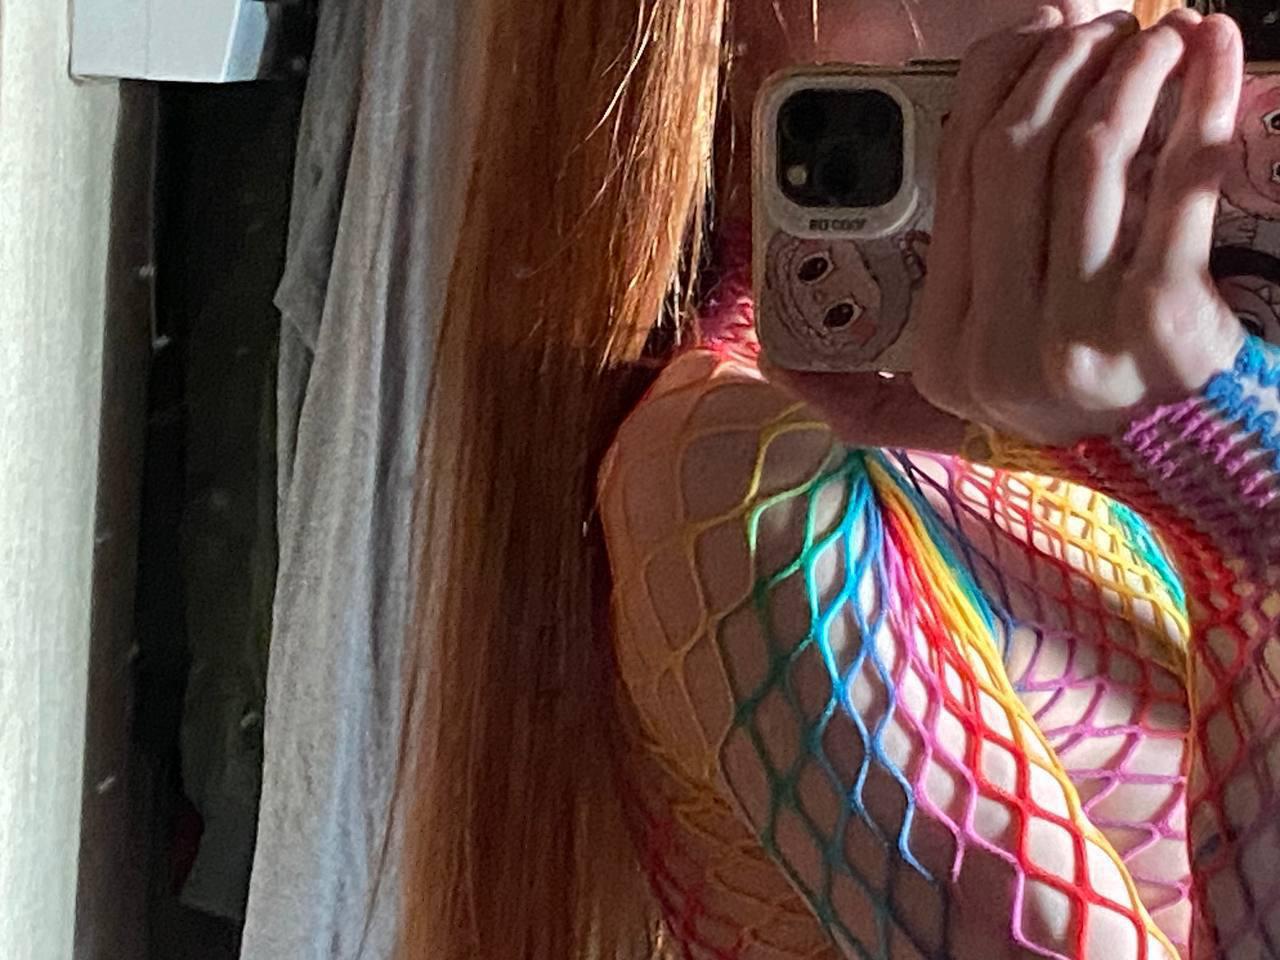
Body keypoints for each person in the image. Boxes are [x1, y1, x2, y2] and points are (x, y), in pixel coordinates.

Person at [400, 0, 1280, 957]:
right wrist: (1244, 498)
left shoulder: (1105, 387)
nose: (1067, 10)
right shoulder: (728, 478)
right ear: (706, 35)